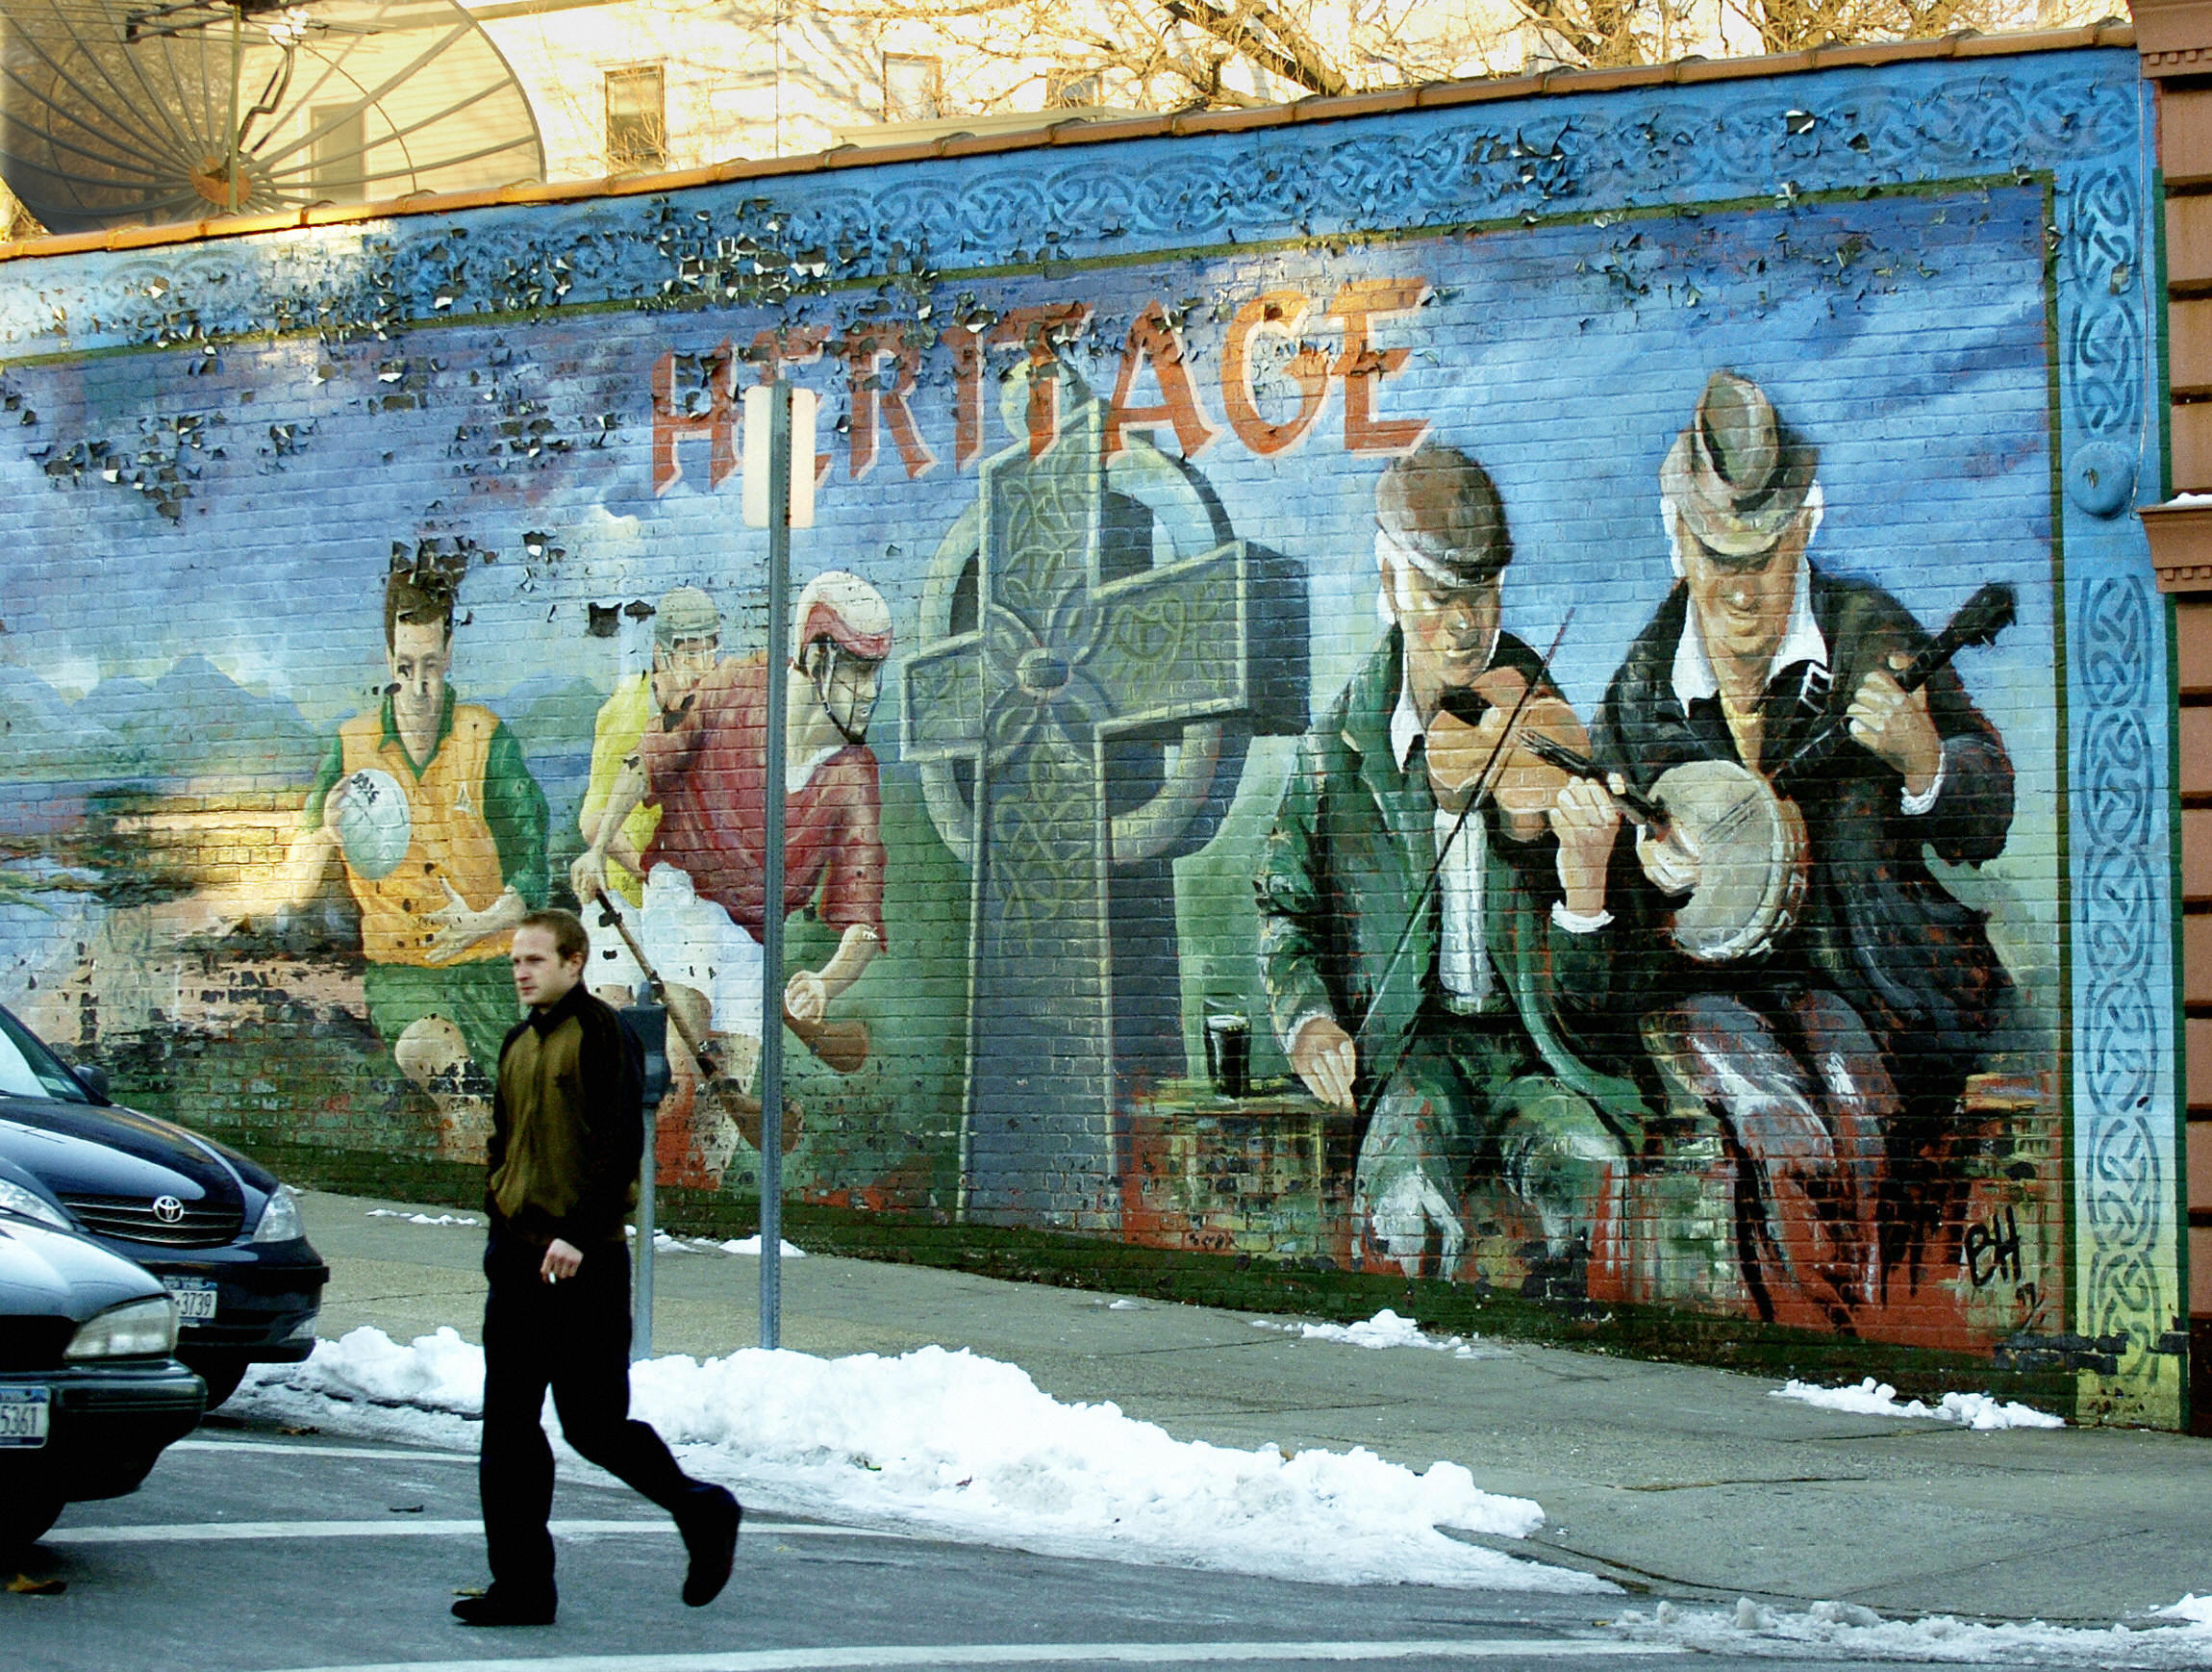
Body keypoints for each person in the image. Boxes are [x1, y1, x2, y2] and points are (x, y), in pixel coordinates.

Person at [1590, 368, 2015, 1330]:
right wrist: (1644, 866)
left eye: (1764, 553)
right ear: (1674, 539)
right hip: (1701, 994)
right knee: (1780, 1130)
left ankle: (1865, 1338)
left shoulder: (1869, 634)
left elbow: (1984, 811)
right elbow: (1593, 873)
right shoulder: (1640, 689)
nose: (1739, 591)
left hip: (1858, 980)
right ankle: (1816, 1357)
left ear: (1805, 525)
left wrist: (1921, 759)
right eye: (1713, 554)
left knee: (1860, 1108)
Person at [1255, 443, 1645, 1289]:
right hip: (1412, 1051)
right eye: (1439, 596)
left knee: (1592, 1170)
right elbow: (1285, 909)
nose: (1467, 624)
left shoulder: (1549, 726)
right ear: (1390, 584)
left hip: (1536, 1052)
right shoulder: (1339, 748)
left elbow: (1594, 1002)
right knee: (1402, 1199)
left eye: (1484, 593)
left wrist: (1585, 891)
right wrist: (1309, 1021)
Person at [457, 907, 740, 1628]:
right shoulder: (519, 1041)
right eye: (516, 961)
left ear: (575, 962)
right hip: (519, 1263)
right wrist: (501, 1222)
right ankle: (523, 1586)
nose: (521, 972)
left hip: (585, 1266)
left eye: (535, 961)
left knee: (594, 1426)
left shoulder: (600, 1035)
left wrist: (580, 1235)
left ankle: (701, 1509)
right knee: (509, 1429)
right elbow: (503, 1143)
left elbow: (619, 1146)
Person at [571, 570, 891, 1174]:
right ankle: (612, 1184)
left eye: (874, 671)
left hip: (752, 938)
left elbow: (863, 918)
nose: (869, 691)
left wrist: (825, 982)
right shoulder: (733, 689)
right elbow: (649, 759)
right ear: (817, 658)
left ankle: (692, 1217)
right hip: (683, 891)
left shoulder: (854, 777)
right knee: (677, 1068)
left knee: (723, 1113)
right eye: (858, 670)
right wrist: (600, 850)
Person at [273, 562, 548, 1161]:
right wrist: (324, 832)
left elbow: (532, 860)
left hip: (487, 968)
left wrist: (486, 921)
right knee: (462, 1090)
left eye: (430, 664)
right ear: (388, 658)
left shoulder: (487, 737)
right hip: (401, 971)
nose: (419, 684)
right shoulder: (351, 745)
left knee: (512, 1126)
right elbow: (294, 882)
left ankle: (472, 1220)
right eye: (405, 667)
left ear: (449, 650)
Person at [576, 585, 727, 1186]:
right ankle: (604, 1180)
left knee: (683, 1062)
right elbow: (594, 823)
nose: (700, 666)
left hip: (685, 904)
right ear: (662, 656)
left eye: (709, 651)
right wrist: (643, 868)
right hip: (621, 895)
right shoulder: (622, 712)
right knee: (609, 1042)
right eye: (689, 653)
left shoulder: (714, 713)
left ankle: (666, 1191)